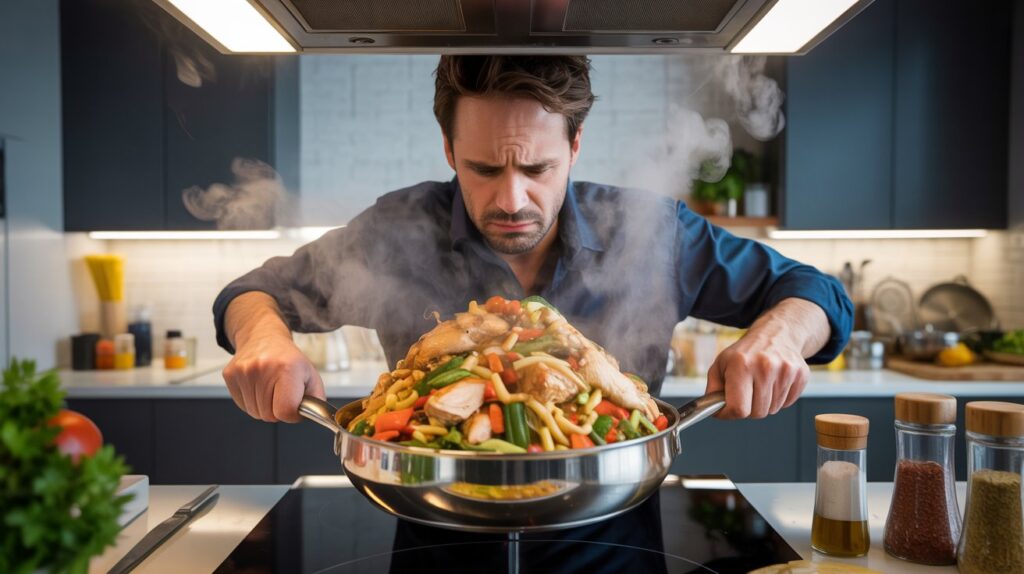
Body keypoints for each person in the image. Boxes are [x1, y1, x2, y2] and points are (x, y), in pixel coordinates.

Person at [213, 55, 852, 424]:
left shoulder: (650, 231)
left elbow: (818, 293)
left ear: (575, 146)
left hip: (613, 534)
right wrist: (265, 338)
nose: (511, 199)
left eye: (538, 169)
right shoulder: (396, 230)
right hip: (436, 529)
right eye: (485, 169)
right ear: (449, 149)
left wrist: (778, 336)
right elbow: (253, 292)